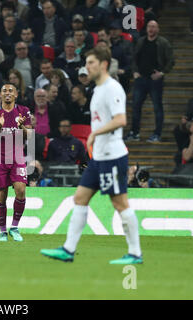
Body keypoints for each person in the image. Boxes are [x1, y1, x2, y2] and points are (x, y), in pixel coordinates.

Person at [41, 46, 143, 265]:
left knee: (120, 203)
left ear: (104, 64)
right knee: (80, 198)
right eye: (86, 63)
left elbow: (120, 120)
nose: (87, 67)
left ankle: (135, 253)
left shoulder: (112, 88)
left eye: (91, 63)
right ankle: (68, 250)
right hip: (99, 158)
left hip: (113, 157)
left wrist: (94, 133)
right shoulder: (96, 89)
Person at [0, 83, 32, 242]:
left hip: (18, 157)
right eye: (4, 90)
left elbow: (30, 136)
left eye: (11, 90)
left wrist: (21, 127)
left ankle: (14, 226)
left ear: (16, 94)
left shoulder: (24, 111)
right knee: (2, 194)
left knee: (20, 190)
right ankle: (3, 231)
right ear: (0, 94)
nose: (7, 93)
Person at [125, 20, 174, 143]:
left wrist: (162, 73)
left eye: (154, 27)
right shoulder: (141, 41)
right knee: (136, 106)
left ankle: (157, 134)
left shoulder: (163, 43)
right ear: (146, 29)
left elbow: (171, 60)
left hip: (155, 80)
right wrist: (135, 71)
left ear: (158, 29)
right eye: (149, 27)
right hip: (141, 78)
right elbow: (134, 58)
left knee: (157, 107)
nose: (151, 29)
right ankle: (134, 133)